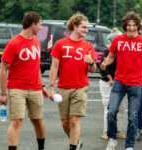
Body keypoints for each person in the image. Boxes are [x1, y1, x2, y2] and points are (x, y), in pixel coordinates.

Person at [101, 11, 142, 150]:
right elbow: (110, 57)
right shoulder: (118, 40)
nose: (131, 28)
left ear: (138, 26)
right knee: (111, 112)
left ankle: (129, 146)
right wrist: (105, 64)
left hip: (135, 83)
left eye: (134, 25)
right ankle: (112, 138)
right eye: (129, 25)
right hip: (119, 82)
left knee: (133, 117)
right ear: (125, 26)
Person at [0, 11, 49, 150]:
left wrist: (43, 85)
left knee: (38, 121)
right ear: (32, 24)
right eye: (40, 25)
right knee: (17, 122)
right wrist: (3, 93)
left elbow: (36, 66)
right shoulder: (14, 43)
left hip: (35, 88)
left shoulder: (36, 41)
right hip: (17, 88)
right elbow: (3, 68)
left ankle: (41, 148)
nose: (41, 28)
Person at [49, 12, 97, 150]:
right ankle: (76, 142)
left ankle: (72, 147)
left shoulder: (88, 46)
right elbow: (54, 66)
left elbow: (93, 70)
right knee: (65, 122)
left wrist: (91, 62)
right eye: (83, 27)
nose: (86, 30)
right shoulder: (60, 44)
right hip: (63, 87)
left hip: (81, 87)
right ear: (75, 26)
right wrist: (51, 87)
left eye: (87, 28)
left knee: (74, 120)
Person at [99, 28, 126, 140]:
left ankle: (118, 130)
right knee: (108, 108)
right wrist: (111, 79)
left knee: (121, 108)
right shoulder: (108, 51)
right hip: (107, 83)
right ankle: (106, 131)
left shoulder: (123, 52)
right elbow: (102, 68)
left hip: (121, 82)